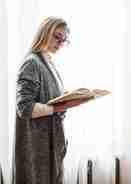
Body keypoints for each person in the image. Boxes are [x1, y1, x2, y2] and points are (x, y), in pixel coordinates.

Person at [12, 17, 85, 184]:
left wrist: (69, 96)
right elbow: (24, 107)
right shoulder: (32, 63)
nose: (60, 43)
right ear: (45, 32)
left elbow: (48, 97)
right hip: (38, 146)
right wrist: (60, 107)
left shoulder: (48, 62)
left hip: (52, 143)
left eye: (64, 40)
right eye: (57, 37)